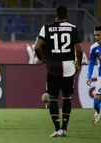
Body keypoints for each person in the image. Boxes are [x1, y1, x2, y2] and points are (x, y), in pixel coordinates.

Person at [34, 5, 83, 137]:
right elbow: (79, 50)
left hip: (53, 66)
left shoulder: (46, 28)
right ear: (66, 15)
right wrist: (79, 64)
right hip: (68, 66)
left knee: (53, 98)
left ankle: (57, 129)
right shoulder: (72, 28)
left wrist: (42, 59)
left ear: (55, 14)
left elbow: (37, 47)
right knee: (67, 98)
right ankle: (64, 128)